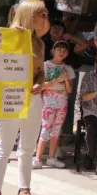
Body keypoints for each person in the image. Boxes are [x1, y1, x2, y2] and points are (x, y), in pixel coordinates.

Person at [0, 0, 50, 195]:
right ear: (28, 15)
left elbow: (41, 69)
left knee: (27, 149)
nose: (45, 18)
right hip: (11, 98)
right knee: (4, 148)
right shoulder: (8, 38)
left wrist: (40, 82)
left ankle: (24, 190)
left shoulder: (39, 43)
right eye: (40, 14)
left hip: (33, 99)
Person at [35, 40, 74, 169]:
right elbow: (41, 85)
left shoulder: (68, 68)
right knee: (45, 128)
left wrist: (67, 79)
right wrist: (57, 80)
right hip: (49, 99)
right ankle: (38, 159)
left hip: (62, 100)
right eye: (59, 49)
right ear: (53, 50)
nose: (61, 52)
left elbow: (69, 90)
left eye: (64, 50)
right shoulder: (46, 65)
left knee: (56, 130)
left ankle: (52, 158)